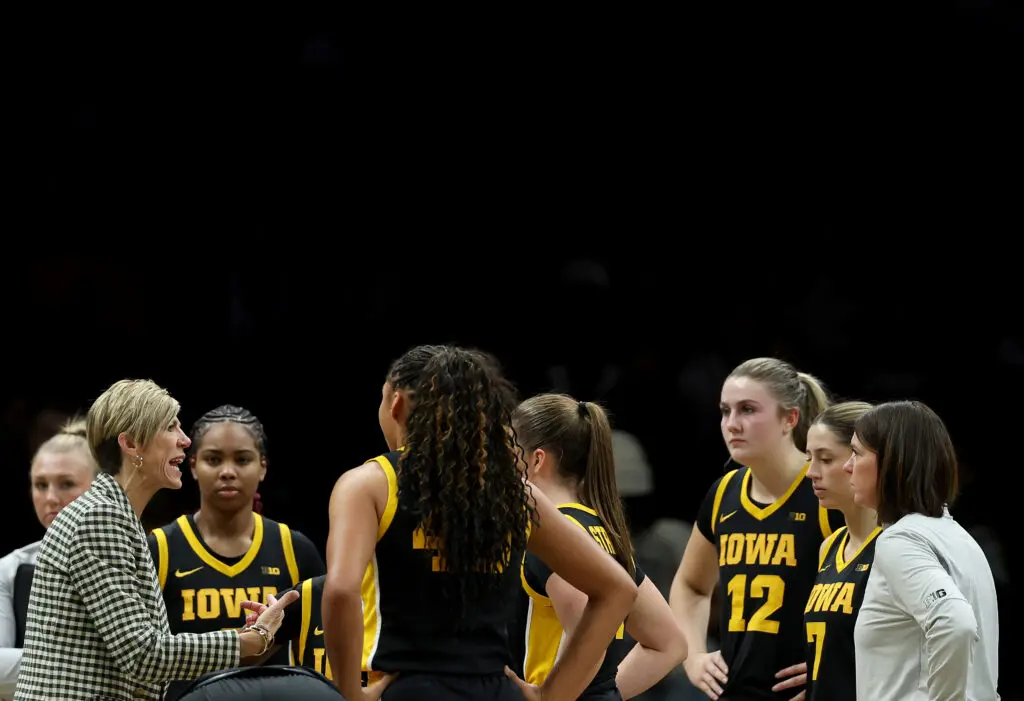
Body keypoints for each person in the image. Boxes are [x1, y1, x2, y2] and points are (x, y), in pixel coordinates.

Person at [321, 345, 639, 701]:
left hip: (409, 690)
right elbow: (618, 590)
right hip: (494, 690)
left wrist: (351, 693)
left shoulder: (370, 483)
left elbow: (340, 591)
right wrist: (552, 696)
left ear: (395, 404)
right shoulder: (513, 493)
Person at [13, 379, 299, 701]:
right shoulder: (99, 518)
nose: (185, 440)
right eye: (170, 427)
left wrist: (241, 635)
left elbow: (143, 648)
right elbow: (143, 655)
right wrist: (251, 640)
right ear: (132, 444)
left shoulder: (115, 516)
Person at [669, 357, 842, 700]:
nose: (732, 424)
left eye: (748, 410)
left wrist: (838, 666)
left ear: (789, 419)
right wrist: (692, 655)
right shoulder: (723, 494)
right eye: (725, 411)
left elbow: (879, 601)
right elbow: (690, 585)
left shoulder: (826, 491)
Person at [508, 393, 687, 700]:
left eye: (508, 452)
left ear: (536, 460)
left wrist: (549, 697)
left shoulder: (553, 538)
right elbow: (669, 644)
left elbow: (589, 641)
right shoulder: (604, 532)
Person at [149, 404, 326, 701]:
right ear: (192, 465)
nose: (227, 472)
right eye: (213, 459)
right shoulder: (159, 549)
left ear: (263, 467)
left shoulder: (295, 549)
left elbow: (324, 645)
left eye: (242, 459)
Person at [849, 400, 1000, 701]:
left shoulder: (900, 540)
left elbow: (954, 623)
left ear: (893, 462)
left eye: (856, 452)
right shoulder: (962, 539)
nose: (847, 465)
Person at [770, 402, 879, 701]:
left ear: (861, 459)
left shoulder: (895, 546)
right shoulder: (829, 546)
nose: (811, 473)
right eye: (809, 458)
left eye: (826, 459)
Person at [0, 418, 98, 701]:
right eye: (40, 485)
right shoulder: (10, 568)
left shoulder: (140, 555)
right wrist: (93, 664)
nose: (51, 498)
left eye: (66, 484)